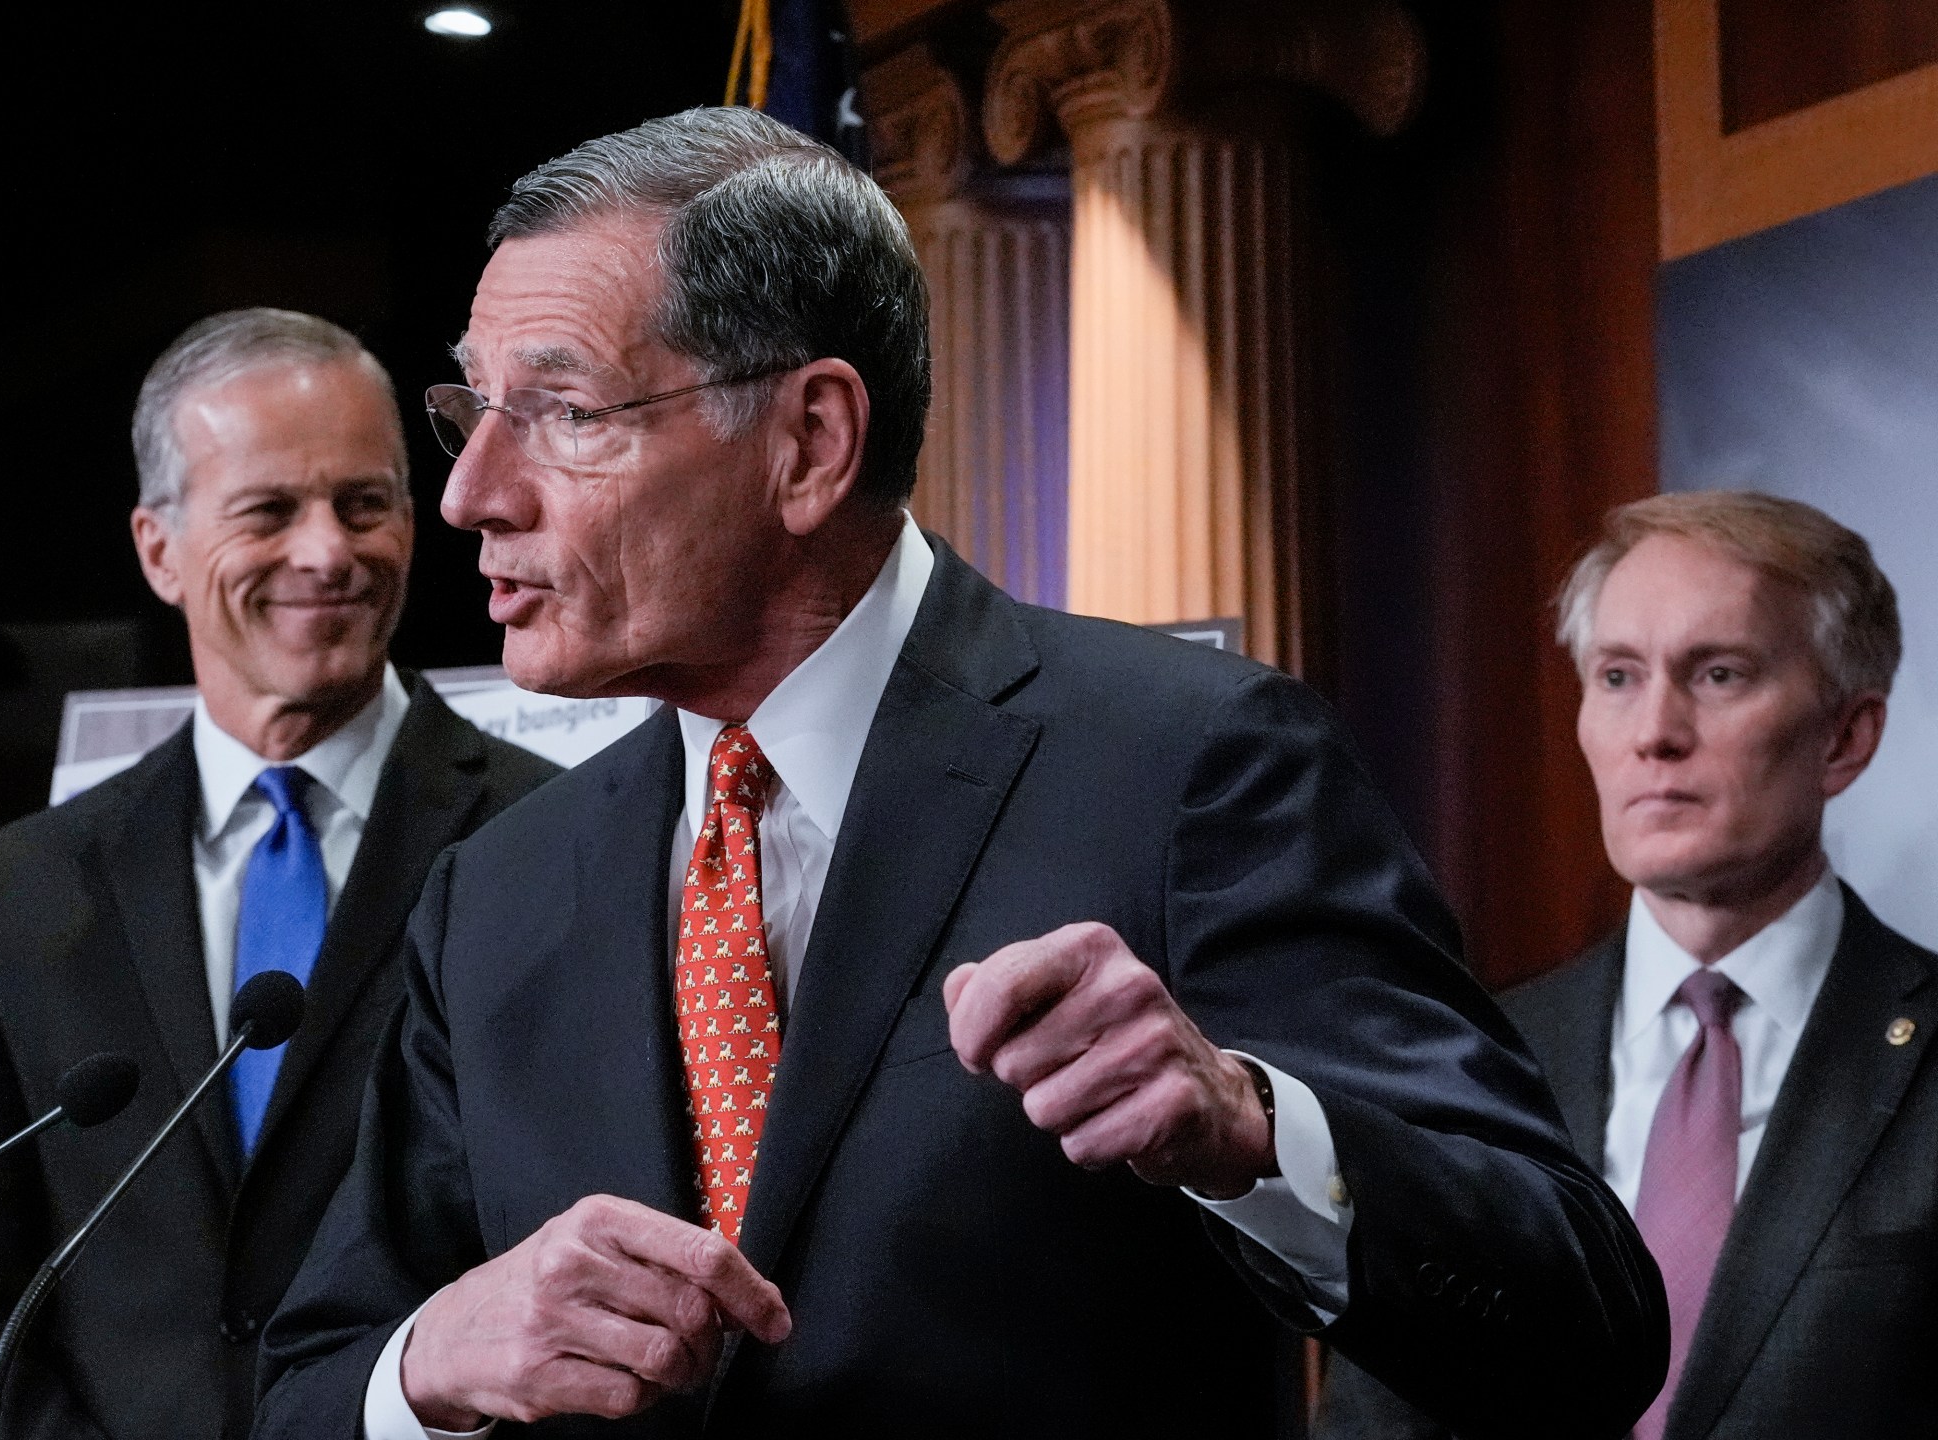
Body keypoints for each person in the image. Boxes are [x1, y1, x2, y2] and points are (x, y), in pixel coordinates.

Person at [253, 108, 1663, 1440]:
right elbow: (308, 1385)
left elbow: (1579, 1325)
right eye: (473, 411)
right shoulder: (496, 891)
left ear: (808, 441)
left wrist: (1251, 1129)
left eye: (565, 413)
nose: (470, 495)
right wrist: (433, 1363)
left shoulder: (1191, 764)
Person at [0, 308, 560, 1439]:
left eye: (364, 503)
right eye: (269, 510)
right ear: (158, 549)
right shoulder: (12, 895)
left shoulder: (551, 839)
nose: (328, 551)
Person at [1321, 491, 1929, 1440]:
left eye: (1719, 674)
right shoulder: (1466, 1060)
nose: (1655, 730)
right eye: (1616, 676)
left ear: (1845, 738)